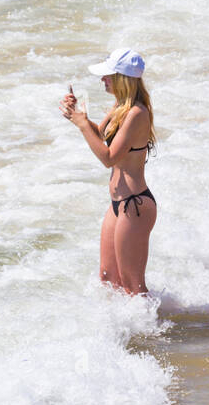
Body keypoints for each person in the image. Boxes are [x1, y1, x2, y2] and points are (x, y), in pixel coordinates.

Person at [60, 49, 157, 295]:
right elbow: (101, 135)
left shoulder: (137, 112)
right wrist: (79, 117)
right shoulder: (121, 106)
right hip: (118, 203)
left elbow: (109, 157)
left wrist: (82, 126)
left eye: (107, 76)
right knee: (107, 277)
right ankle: (124, 332)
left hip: (135, 204)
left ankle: (150, 334)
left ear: (122, 78)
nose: (102, 80)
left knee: (132, 285)